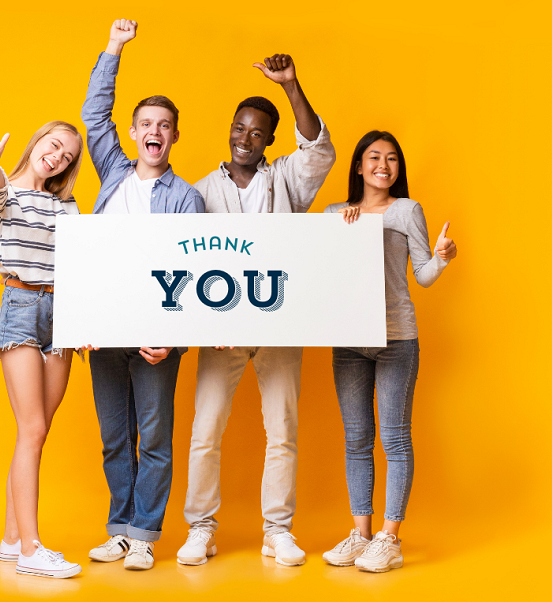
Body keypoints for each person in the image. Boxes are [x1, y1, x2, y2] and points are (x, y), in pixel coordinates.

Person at [177, 54, 336, 567]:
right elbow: (182, 267)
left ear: (269, 140)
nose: (245, 138)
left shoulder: (286, 180)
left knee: (283, 431)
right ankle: (200, 528)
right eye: (238, 128)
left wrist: (290, 85)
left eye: (256, 132)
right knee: (205, 432)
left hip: (279, 327)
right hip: (221, 334)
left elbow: (317, 148)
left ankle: (277, 531)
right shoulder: (198, 193)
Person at [80, 19, 205, 571]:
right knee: (114, 436)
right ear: (134, 134)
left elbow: (194, 276)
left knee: (153, 436)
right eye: (146, 123)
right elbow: (91, 116)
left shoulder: (187, 199)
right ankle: (119, 529)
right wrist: (114, 48)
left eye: (165, 125)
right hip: (105, 331)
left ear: (175, 136)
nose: (155, 131)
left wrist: (172, 337)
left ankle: (145, 533)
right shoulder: (112, 174)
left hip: (157, 335)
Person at [322, 130, 457, 572]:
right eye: (374, 157)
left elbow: (422, 275)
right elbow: (321, 275)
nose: (383, 164)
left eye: (392, 159)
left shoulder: (406, 210)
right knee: (356, 438)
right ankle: (360, 534)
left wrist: (441, 257)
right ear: (358, 165)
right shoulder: (334, 213)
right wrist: (342, 233)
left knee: (395, 437)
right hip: (349, 340)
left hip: (396, 337)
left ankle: (389, 538)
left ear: (398, 169)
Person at [0, 121, 84, 578]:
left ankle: (11, 539)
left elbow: (82, 263)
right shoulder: (7, 193)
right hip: (21, 305)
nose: (58, 157)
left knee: (36, 432)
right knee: (33, 428)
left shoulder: (67, 204)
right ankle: (31, 549)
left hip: (63, 313)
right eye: (54, 145)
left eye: (67, 156)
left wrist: (85, 320)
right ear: (37, 141)